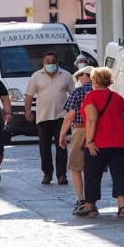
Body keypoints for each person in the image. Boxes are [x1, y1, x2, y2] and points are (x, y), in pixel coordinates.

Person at [75, 67, 124, 218]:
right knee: (120, 174)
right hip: (119, 142)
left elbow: (92, 119)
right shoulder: (117, 97)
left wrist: (90, 140)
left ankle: (90, 206)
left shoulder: (90, 97)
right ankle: (122, 206)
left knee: (92, 175)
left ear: (94, 80)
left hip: (99, 143)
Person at [24, 51, 75, 185]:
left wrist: (74, 112)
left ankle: (62, 174)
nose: (50, 64)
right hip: (43, 116)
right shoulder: (36, 76)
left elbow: (73, 94)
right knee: (44, 147)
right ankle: (47, 173)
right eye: (48, 61)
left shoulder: (66, 75)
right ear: (43, 63)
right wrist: (28, 110)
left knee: (62, 146)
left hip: (62, 116)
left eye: (53, 61)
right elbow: (29, 95)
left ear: (57, 62)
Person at [58, 65, 94, 214]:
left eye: (80, 77)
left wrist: (62, 134)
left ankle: (81, 200)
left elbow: (70, 115)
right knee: (92, 169)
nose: (79, 80)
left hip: (80, 130)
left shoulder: (79, 92)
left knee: (75, 167)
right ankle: (92, 202)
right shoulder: (104, 91)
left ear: (86, 77)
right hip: (98, 132)